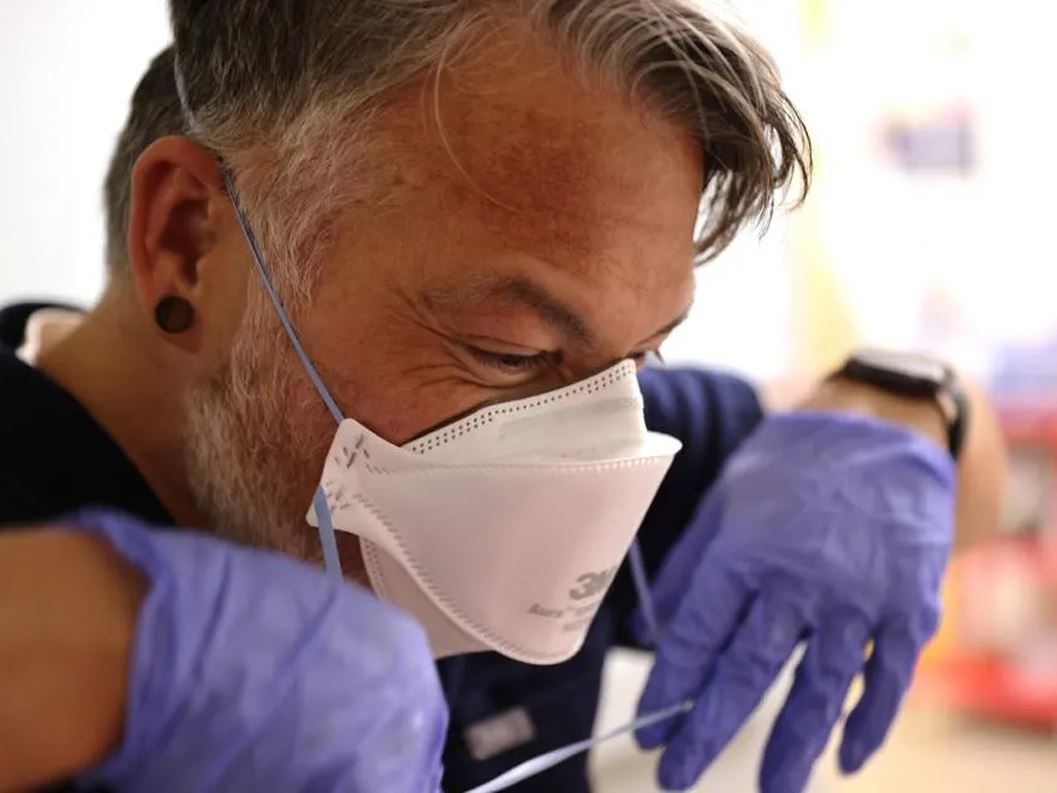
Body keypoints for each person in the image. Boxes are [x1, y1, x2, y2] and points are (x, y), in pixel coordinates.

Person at [0, 3, 1006, 792]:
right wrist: (129, 651)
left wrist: (903, 415)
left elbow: (972, 488)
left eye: (644, 353)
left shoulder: (581, 440)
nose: (592, 462)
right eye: (513, 351)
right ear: (187, 244)